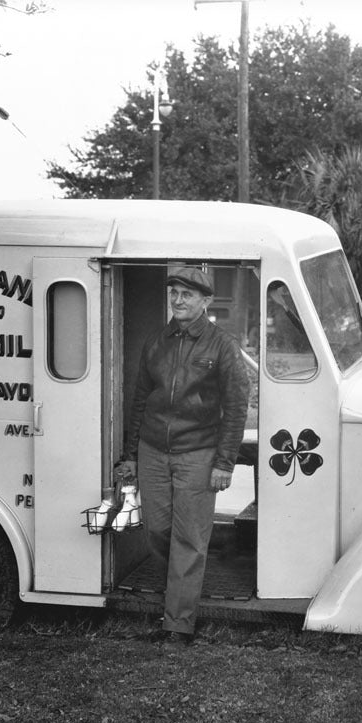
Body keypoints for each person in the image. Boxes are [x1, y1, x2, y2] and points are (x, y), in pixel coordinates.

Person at [121, 266, 250, 647]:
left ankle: (177, 623)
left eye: (187, 295)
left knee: (190, 538)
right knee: (157, 530)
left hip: (198, 453)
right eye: (174, 293)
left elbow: (237, 405)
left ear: (206, 301)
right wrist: (130, 455)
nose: (178, 300)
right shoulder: (156, 341)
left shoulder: (222, 345)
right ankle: (181, 589)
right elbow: (141, 399)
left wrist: (224, 462)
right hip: (153, 452)